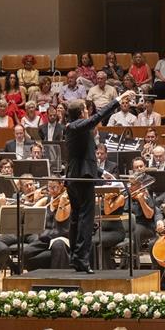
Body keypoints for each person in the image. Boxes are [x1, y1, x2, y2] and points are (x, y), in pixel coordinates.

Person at [62, 90, 127, 271]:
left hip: (77, 176)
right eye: (85, 109)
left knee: (76, 218)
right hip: (82, 178)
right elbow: (97, 117)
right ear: (82, 112)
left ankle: (75, 258)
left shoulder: (74, 127)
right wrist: (117, 100)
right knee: (85, 219)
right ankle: (81, 258)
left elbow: (82, 155)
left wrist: (100, 171)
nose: (88, 112)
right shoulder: (76, 126)